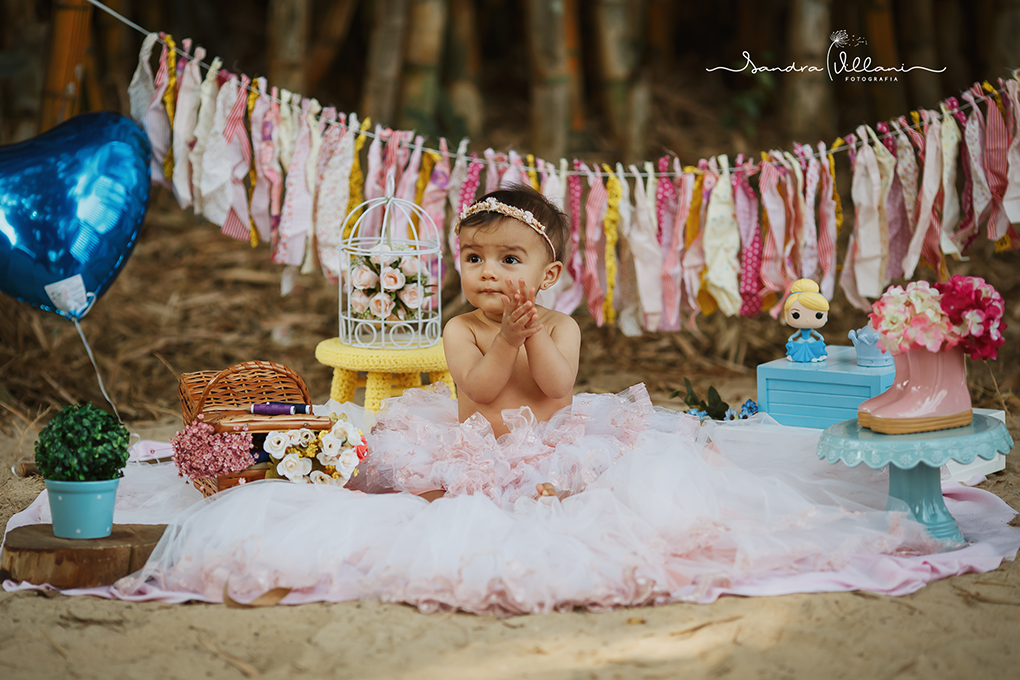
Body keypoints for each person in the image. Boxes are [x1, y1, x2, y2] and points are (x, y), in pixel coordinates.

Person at [783, 279, 829, 362]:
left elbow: (815, 333)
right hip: (800, 341)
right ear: (786, 315)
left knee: (814, 348)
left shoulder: (811, 331)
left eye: (818, 315)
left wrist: (820, 337)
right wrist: (791, 338)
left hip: (811, 341)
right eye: (796, 315)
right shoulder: (800, 331)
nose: (807, 319)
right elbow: (796, 333)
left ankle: (814, 356)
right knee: (799, 349)